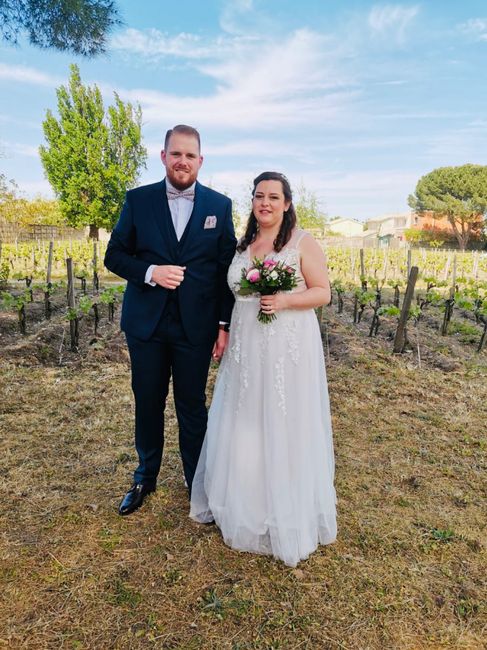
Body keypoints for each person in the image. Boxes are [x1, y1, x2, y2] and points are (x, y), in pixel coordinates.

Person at [190, 171, 337, 567]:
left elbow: (322, 292)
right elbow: (232, 294)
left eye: (273, 196)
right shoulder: (243, 245)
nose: (265, 203)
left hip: (286, 347)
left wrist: (285, 301)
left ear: (287, 203)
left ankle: (283, 508)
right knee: (245, 418)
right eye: (259, 196)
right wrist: (223, 329)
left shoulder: (302, 242)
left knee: (281, 417)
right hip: (245, 346)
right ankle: (245, 502)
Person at [104, 124, 237, 516]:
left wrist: (224, 325)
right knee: (148, 401)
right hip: (146, 325)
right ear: (163, 156)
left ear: (201, 160)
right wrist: (150, 272)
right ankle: (144, 477)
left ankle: (198, 481)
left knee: (192, 405)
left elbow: (225, 270)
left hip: (195, 326)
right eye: (175, 153)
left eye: (190, 155)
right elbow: (114, 255)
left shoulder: (219, 206)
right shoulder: (138, 200)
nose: (182, 161)